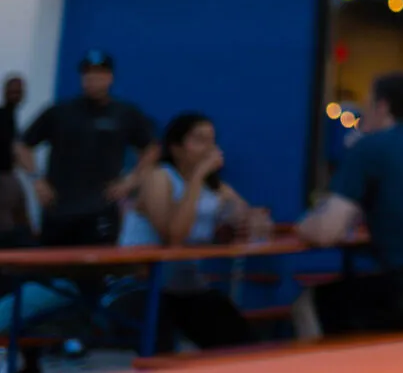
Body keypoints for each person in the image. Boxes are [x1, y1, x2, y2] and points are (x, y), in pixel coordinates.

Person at [294, 71, 403, 336]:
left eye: (367, 104)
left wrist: (301, 227)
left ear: (382, 106)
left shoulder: (371, 147)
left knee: (305, 305)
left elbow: (325, 232)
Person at [118, 112, 269, 351]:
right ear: (176, 148)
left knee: (240, 339)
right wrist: (198, 176)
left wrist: (253, 220)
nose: (208, 147)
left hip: (184, 286)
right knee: (162, 346)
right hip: (142, 285)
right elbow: (174, 237)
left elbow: (249, 217)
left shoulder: (217, 188)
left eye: (212, 140)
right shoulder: (159, 177)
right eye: (199, 140)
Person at [19, 51, 157, 246]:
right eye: (87, 74)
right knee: (52, 269)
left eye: (99, 74)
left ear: (110, 77)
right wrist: (36, 180)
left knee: (96, 271)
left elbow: (151, 149)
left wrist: (131, 180)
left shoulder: (124, 113)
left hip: (101, 209)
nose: (92, 79)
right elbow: (22, 146)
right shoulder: (60, 112)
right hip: (59, 208)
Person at [0, 75, 27, 241]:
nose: (15, 95)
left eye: (18, 92)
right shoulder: (4, 116)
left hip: (10, 174)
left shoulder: (13, 117)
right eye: (12, 91)